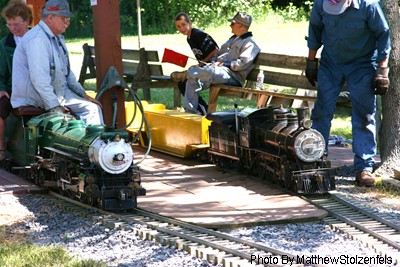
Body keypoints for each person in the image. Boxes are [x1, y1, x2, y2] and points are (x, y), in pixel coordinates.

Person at [305, 0, 391, 186]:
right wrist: (311, 61)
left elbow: (383, 34)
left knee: (365, 115)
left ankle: (364, 168)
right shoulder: (321, 4)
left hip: (362, 63)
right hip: (330, 63)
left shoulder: (369, 5)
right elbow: (314, 30)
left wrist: (382, 70)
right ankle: (316, 159)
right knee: (321, 112)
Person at [11, 0, 103, 126]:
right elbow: (39, 80)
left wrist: (83, 94)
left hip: (56, 94)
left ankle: (92, 143)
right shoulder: (38, 39)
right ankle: (94, 144)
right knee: (90, 111)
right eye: (64, 18)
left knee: (92, 107)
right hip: (34, 99)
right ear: (50, 17)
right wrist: (55, 106)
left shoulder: (56, 37)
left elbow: (66, 72)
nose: (68, 22)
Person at [183, 12, 260, 115]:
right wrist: (213, 63)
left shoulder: (249, 44)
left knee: (204, 72)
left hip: (233, 77)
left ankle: (185, 74)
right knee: (193, 79)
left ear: (241, 26)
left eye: (232, 23)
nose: (230, 25)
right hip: (218, 72)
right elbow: (219, 53)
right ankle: (191, 113)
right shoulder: (233, 39)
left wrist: (223, 64)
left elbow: (241, 64)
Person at [0, 0, 32, 160]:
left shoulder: (38, 39)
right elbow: (0, 73)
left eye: (16, 24)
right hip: (13, 92)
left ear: (27, 21)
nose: (13, 29)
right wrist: (1, 89)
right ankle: (1, 151)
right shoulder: (4, 44)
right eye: (9, 25)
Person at [170, 12, 219, 115]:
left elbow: (215, 50)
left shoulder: (197, 34)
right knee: (181, 82)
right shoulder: (189, 38)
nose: (181, 28)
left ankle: (201, 111)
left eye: (183, 25)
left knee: (186, 81)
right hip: (204, 68)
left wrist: (200, 65)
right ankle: (202, 109)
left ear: (189, 22)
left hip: (213, 69)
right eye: (178, 26)